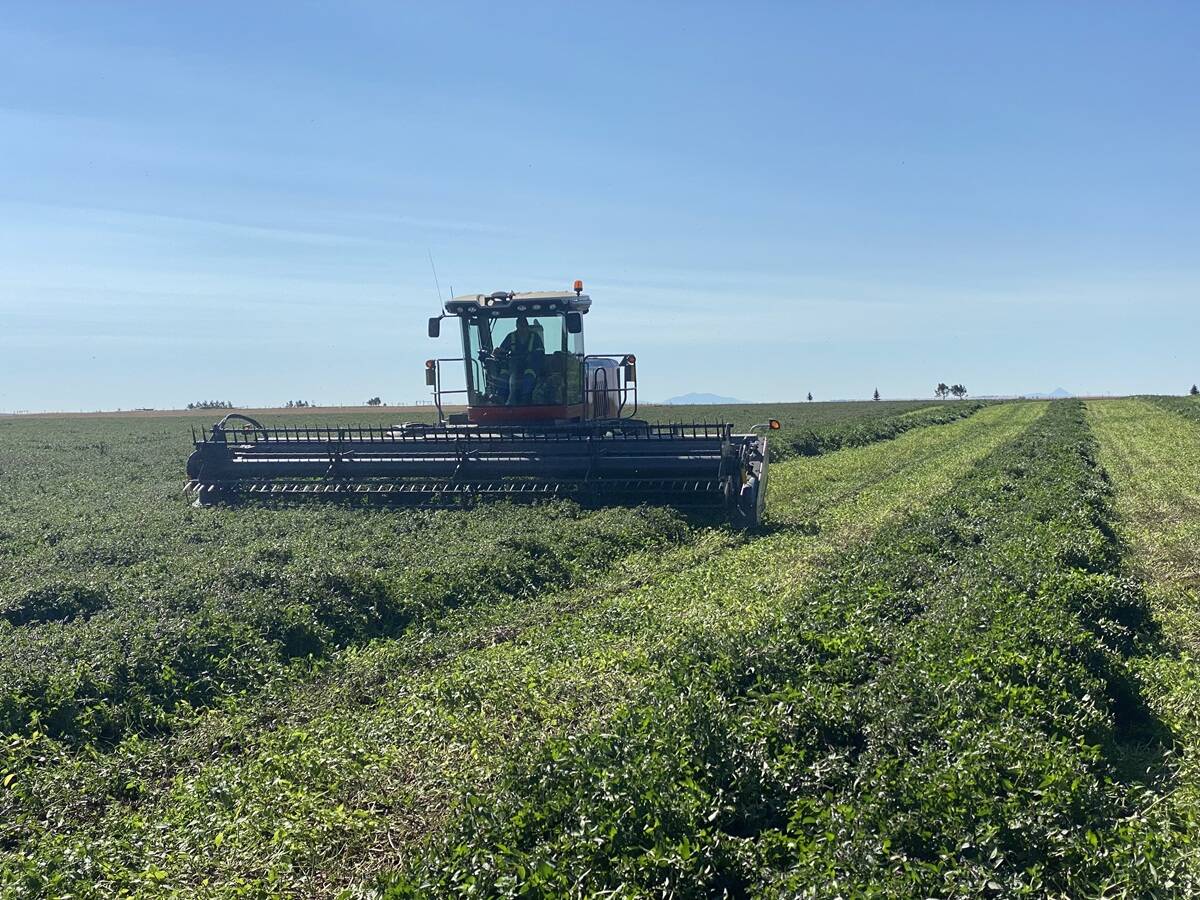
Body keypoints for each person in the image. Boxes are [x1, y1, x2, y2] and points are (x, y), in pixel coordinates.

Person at [495, 317, 544, 405]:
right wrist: (498, 352)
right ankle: (501, 400)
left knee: (528, 379)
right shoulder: (511, 336)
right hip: (511, 367)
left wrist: (531, 357)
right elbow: (502, 351)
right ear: (517, 326)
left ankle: (524, 401)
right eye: (520, 326)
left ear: (527, 326)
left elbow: (540, 353)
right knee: (502, 378)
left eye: (524, 326)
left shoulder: (535, 337)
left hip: (529, 367)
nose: (522, 328)